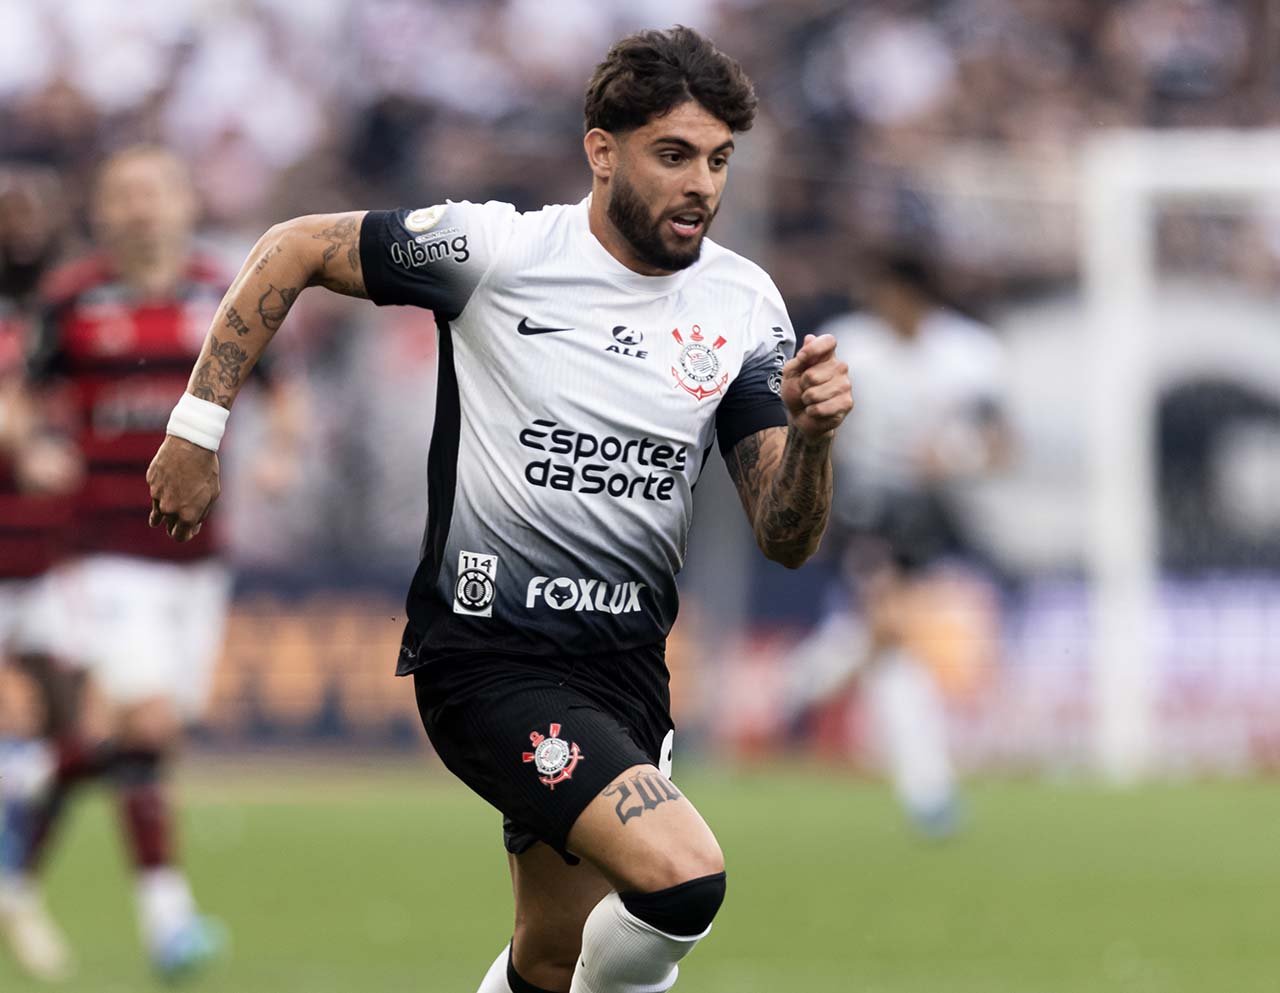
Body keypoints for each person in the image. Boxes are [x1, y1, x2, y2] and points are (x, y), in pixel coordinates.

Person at [147, 26, 853, 993]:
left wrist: (810, 437)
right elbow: (294, 247)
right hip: (488, 659)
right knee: (683, 879)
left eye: (719, 160)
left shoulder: (743, 304)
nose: (702, 185)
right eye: (674, 154)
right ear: (601, 150)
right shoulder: (498, 251)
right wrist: (197, 427)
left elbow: (785, 535)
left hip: (627, 668)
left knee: (553, 955)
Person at [13, 145, 295, 980]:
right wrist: (30, 446)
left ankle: (27, 792)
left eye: (154, 192)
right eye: (124, 194)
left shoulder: (224, 294)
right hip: (101, 548)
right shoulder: (71, 299)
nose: (140, 207)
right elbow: (18, 397)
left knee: (135, 738)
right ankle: (169, 917)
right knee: (146, 723)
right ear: (103, 209)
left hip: (196, 554)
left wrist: (280, 449)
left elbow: (283, 389)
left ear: (184, 203)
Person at [789, 252, 1011, 837]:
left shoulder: (970, 354)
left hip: (934, 514)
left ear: (914, 296)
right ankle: (928, 791)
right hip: (864, 507)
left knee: (876, 638)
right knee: (889, 634)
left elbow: (1001, 444)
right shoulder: (849, 347)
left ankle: (798, 686)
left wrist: (956, 456)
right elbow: (810, 429)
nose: (879, 306)